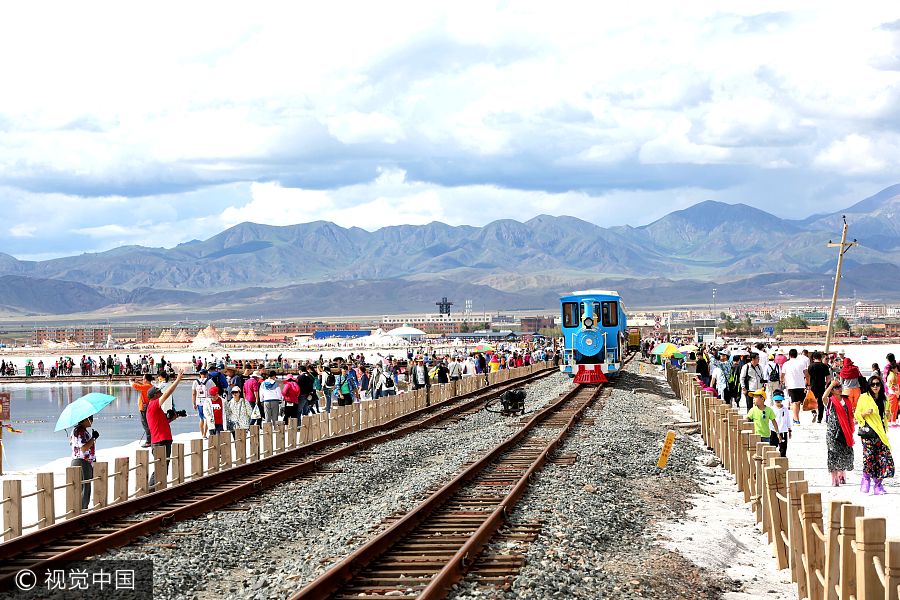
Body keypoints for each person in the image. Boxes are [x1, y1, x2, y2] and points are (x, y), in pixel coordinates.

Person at [146, 371, 186, 490]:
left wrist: (174, 417)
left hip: (163, 439)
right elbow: (168, 393)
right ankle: (151, 491)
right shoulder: (153, 404)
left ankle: (157, 491)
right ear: (154, 396)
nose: (160, 393)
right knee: (160, 468)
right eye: (158, 392)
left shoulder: (155, 409)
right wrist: (177, 380)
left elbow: (162, 423)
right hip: (160, 441)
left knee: (163, 468)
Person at [854, 377, 894, 495]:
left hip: (881, 434)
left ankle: (878, 485)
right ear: (869, 386)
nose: (875, 387)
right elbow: (856, 414)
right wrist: (864, 413)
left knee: (881, 459)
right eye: (872, 384)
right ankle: (865, 479)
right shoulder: (864, 397)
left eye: (877, 384)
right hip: (868, 434)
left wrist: (888, 414)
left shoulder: (884, 399)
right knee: (869, 458)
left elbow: (887, 415)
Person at [823, 380, 854, 487]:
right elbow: (823, 397)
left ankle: (842, 474)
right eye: (836, 387)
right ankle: (834, 477)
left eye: (839, 386)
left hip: (845, 431)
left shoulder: (846, 400)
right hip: (833, 431)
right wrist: (831, 384)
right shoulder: (830, 401)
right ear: (831, 390)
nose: (839, 389)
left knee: (844, 452)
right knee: (833, 454)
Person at [70, 415, 98, 509]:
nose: (91, 421)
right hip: (82, 462)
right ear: (85, 419)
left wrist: (93, 438)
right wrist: (93, 438)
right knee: (85, 489)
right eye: (90, 419)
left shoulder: (78, 430)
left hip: (80, 461)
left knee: (80, 488)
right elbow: (84, 448)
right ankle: (82, 511)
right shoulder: (80, 431)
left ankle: (79, 511)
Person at [780, 349, 809, 426]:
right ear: (797, 355)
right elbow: (806, 374)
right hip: (801, 385)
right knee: (797, 402)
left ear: (789, 355)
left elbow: (782, 375)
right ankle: (796, 418)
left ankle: (796, 419)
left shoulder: (786, 364)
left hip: (791, 385)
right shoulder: (802, 363)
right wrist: (808, 383)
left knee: (795, 402)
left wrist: (781, 381)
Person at [130, 374, 154, 447]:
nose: (142, 380)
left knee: (145, 424)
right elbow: (142, 385)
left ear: (146, 380)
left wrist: (131, 382)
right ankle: (151, 439)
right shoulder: (149, 386)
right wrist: (137, 381)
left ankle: (149, 441)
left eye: (143, 379)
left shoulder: (147, 386)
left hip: (144, 407)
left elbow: (136, 386)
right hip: (146, 406)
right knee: (147, 424)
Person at [807, 351, 831, 424]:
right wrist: (827, 385)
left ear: (814, 358)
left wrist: (807, 385)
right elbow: (828, 377)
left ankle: (814, 412)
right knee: (821, 403)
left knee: (811, 401)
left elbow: (808, 377)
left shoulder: (810, 366)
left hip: (812, 386)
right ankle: (819, 419)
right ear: (821, 358)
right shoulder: (824, 366)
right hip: (821, 386)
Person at [770, 390, 791, 458]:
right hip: (773, 431)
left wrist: (789, 430)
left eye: (780, 400)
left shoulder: (785, 409)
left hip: (783, 431)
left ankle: (782, 461)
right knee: (772, 447)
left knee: (783, 448)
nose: (778, 401)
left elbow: (788, 420)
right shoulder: (772, 409)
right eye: (776, 400)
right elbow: (770, 421)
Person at [191, 368, 211, 439]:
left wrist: (194, 403)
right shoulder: (210, 381)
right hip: (207, 401)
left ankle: (202, 433)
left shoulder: (195, 382)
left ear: (200, 374)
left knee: (201, 419)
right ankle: (204, 434)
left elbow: (193, 393)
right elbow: (214, 390)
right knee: (206, 418)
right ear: (207, 374)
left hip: (199, 402)